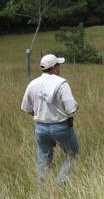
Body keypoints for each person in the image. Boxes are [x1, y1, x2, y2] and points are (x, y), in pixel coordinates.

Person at [21, 54, 79, 186]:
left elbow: (26, 108)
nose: (60, 67)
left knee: (43, 159)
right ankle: (61, 184)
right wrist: (76, 106)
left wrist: (41, 116)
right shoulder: (61, 83)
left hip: (40, 127)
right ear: (54, 67)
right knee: (72, 154)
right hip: (61, 127)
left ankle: (43, 188)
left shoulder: (32, 84)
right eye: (58, 65)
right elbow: (71, 109)